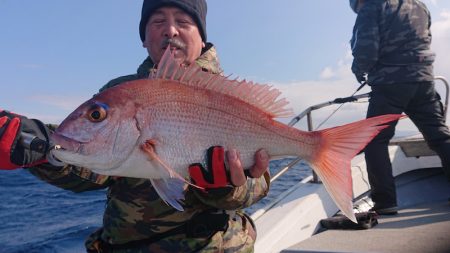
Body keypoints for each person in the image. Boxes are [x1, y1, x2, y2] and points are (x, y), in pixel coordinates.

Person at [0, 0, 271, 252]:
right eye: (157, 22)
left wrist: (226, 187)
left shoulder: (231, 97)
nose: (171, 30)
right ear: (144, 38)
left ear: (202, 38)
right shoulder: (117, 92)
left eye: (184, 21)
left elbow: (259, 186)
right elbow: (96, 168)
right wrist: (35, 147)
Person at [349, 0, 450, 215]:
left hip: (390, 84)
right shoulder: (421, 6)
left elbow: (366, 47)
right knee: (441, 138)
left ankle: (385, 203)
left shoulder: (373, 5)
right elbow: (426, 39)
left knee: (375, 141)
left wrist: (359, 69)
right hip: (424, 81)